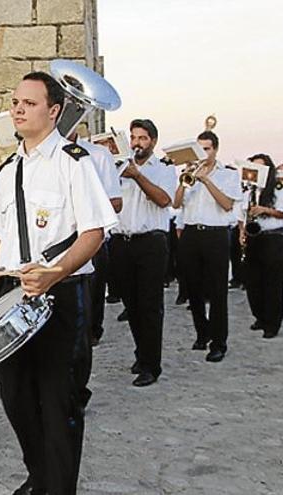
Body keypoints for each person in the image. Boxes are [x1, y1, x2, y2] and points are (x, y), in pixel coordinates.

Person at [0, 72, 117, 495]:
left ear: (54, 110)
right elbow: (2, 237)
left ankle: (58, 487)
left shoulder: (74, 161)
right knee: (15, 396)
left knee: (59, 399)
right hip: (14, 292)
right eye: (14, 102)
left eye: (28, 103)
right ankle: (41, 475)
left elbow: (94, 232)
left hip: (62, 294)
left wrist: (57, 272)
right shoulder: (9, 169)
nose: (18, 109)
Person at [111, 119, 176, 386]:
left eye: (143, 138)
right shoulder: (118, 168)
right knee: (132, 304)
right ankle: (142, 352)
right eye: (133, 138)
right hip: (121, 241)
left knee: (150, 306)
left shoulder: (163, 169)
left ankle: (152, 365)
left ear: (153, 142)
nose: (137, 143)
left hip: (151, 241)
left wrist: (137, 175)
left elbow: (163, 200)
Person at [173, 131, 242, 362]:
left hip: (216, 235)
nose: (204, 153)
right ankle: (202, 333)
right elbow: (176, 203)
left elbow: (227, 205)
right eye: (200, 149)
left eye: (207, 149)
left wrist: (206, 180)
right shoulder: (189, 173)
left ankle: (219, 342)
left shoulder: (228, 175)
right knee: (193, 289)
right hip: (191, 234)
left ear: (216, 149)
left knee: (217, 291)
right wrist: (185, 178)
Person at [71, 128, 123, 344]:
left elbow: (116, 203)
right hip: (53, 245)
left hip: (90, 239)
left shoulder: (98, 155)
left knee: (90, 302)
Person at [241, 154, 283, 338]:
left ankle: (272, 323)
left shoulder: (278, 188)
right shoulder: (248, 188)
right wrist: (242, 232)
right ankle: (259, 316)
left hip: (272, 237)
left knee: (272, 282)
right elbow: (240, 213)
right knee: (253, 281)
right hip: (253, 236)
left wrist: (264, 210)